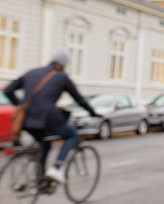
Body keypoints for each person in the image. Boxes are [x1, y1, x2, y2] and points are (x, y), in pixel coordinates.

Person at [3, 49, 98, 183]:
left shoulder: (32, 72)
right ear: (65, 64)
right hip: (47, 118)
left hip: (26, 120)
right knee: (71, 135)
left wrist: (21, 105)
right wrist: (93, 112)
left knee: (45, 144)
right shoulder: (62, 77)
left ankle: (40, 179)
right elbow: (79, 99)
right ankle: (57, 168)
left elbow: (8, 90)